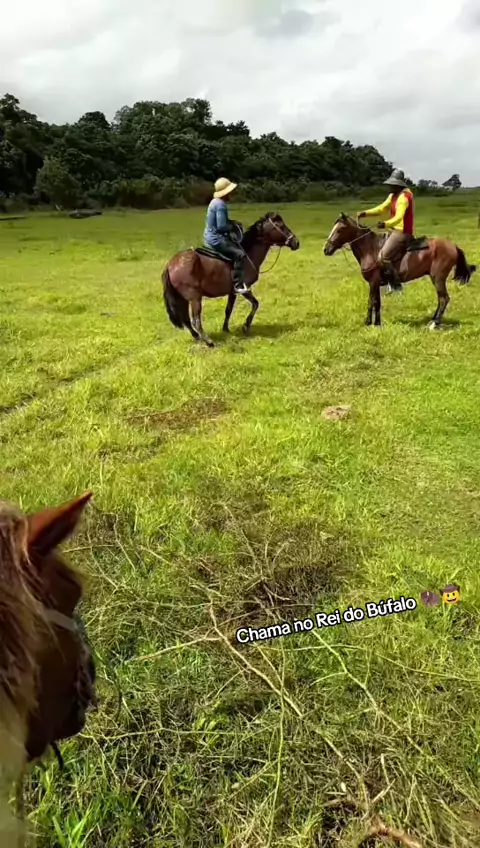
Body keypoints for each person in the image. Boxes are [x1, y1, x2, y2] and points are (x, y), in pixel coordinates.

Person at [357, 169, 415, 293]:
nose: (389, 187)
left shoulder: (404, 197)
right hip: (393, 230)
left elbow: (399, 217)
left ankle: (396, 285)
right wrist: (365, 213)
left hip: (402, 232)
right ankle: (386, 280)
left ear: (398, 185)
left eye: (391, 185)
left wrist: (385, 224)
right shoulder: (393, 195)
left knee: (382, 257)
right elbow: (382, 208)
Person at [204, 178, 248, 294]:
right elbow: (221, 226)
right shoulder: (221, 205)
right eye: (230, 192)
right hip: (217, 239)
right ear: (226, 193)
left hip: (208, 237)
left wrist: (233, 222)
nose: (231, 194)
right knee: (240, 254)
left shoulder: (214, 202)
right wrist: (233, 227)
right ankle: (238, 284)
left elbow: (221, 221)